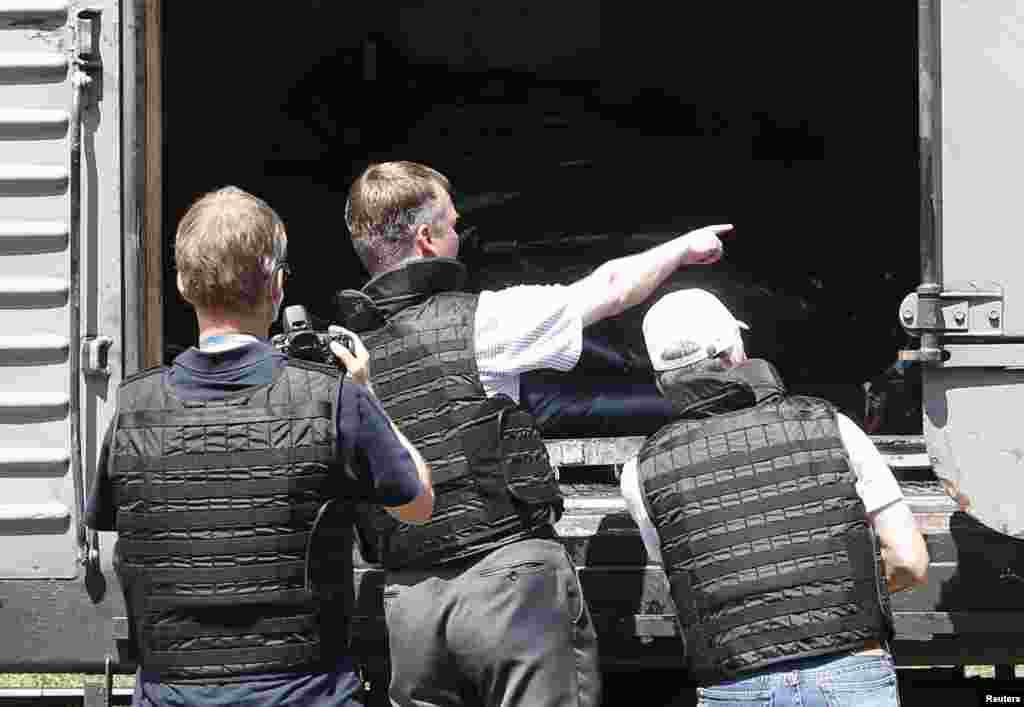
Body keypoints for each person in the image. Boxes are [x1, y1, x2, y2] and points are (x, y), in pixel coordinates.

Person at [336, 160, 732, 707]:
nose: (461, 235)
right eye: (453, 226)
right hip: (507, 584)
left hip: (408, 602)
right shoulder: (485, 322)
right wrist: (682, 250)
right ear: (426, 240)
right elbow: (610, 288)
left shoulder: (341, 356)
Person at [85, 186, 434, 707]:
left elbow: (124, 536)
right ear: (276, 287)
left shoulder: (132, 408)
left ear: (182, 284)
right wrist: (365, 393)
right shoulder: (333, 398)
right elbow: (419, 503)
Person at [619, 288, 929, 707]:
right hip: (851, 669)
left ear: (661, 380)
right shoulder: (831, 424)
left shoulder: (641, 470)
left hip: (736, 682)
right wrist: (839, 602)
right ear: (734, 352)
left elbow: (686, 581)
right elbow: (908, 559)